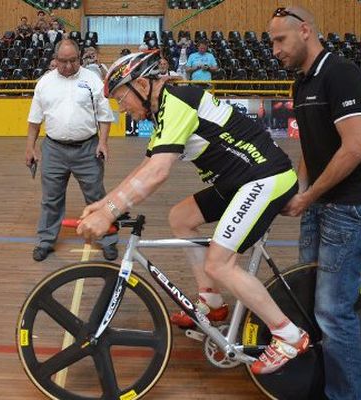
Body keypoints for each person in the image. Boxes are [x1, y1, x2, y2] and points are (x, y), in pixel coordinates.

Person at [77, 49, 310, 374]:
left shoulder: (178, 99)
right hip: (240, 180)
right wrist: (106, 205)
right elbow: (147, 164)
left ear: (142, 85)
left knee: (219, 262)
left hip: (263, 178)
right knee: (181, 218)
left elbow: (159, 172)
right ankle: (212, 303)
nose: (121, 108)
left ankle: (288, 335)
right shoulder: (164, 108)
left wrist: (110, 211)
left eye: (121, 98)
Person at [269, 6, 361, 398]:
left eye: (280, 40)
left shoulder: (342, 74)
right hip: (321, 204)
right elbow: (313, 148)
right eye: (271, 43)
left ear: (305, 31)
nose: (274, 50)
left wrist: (309, 197)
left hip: (351, 205)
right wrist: (301, 192)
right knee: (310, 297)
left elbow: (354, 150)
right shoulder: (301, 83)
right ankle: (322, 383)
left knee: (333, 311)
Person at [25, 39, 118, 262]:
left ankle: (108, 240)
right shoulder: (44, 83)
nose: (68, 66)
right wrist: (30, 147)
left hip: (87, 148)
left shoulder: (92, 80)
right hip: (53, 149)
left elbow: (105, 116)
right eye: (63, 61)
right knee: (51, 198)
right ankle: (46, 241)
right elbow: (34, 120)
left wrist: (103, 143)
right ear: (55, 60)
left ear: (80, 58)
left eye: (73, 60)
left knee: (96, 196)